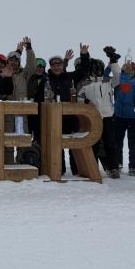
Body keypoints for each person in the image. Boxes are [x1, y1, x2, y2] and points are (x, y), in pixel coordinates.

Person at [75, 46, 121, 177]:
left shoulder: (108, 81)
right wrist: (86, 103)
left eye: (99, 67)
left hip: (107, 116)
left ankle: (113, 167)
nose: (97, 70)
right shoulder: (84, 83)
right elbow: (79, 98)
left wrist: (113, 61)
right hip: (92, 117)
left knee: (110, 142)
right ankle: (92, 167)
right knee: (93, 142)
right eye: (95, 67)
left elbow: (118, 75)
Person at [45, 45, 90, 176]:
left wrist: (84, 55)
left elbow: (84, 71)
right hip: (55, 117)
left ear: (62, 66)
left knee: (74, 142)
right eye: (54, 65)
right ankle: (59, 169)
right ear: (51, 66)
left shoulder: (70, 77)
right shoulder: (46, 79)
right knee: (56, 143)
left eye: (59, 65)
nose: (56, 67)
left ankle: (77, 169)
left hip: (71, 116)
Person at [114, 61, 135, 176]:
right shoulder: (118, 81)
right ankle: (117, 163)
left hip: (132, 117)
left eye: (132, 70)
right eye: (125, 70)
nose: (129, 72)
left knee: (133, 143)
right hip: (118, 116)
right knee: (117, 142)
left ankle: (134, 166)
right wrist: (112, 63)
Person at [26, 58, 48, 143]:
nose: (39, 68)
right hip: (30, 112)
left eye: (41, 67)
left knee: (40, 138)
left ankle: (40, 155)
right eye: (37, 67)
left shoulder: (47, 79)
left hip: (42, 112)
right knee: (27, 137)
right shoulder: (29, 78)